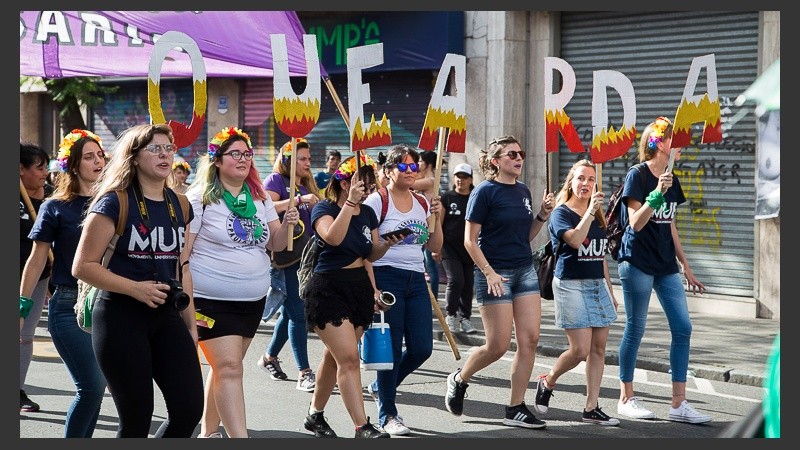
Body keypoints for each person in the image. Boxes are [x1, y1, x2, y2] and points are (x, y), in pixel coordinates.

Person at [71, 123, 203, 437]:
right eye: (155, 148)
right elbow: (83, 266)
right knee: (136, 419)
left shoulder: (180, 204)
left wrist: (191, 325)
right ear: (134, 156)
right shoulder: (115, 202)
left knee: (187, 411)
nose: (165, 154)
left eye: (169, 148)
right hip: (120, 316)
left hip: (166, 315)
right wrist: (136, 289)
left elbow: (182, 266)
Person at [184, 126, 299, 438]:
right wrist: (187, 305)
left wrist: (288, 224)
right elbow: (184, 256)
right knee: (231, 369)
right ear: (217, 160)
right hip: (209, 301)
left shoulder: (259, 198)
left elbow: (275, 244)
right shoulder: (199, 199)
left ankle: (208, 434)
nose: (243, 158)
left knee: (225, 370)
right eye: (235, 153)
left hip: (251, 302)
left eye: (247, 153)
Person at [444, 135, 554, 430]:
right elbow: (469, 241)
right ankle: (459, 378)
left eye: (522, 153)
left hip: (524, 270)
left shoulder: (523, 190)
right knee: (497, 345)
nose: (519, 158)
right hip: (494, 272)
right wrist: (490, 272)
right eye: (512, 154)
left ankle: (515, 407)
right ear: (496, 161)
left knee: (529, 340)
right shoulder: (484, 192)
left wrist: (542, 215)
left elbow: (524, 237)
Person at [614, 116, 710, 424]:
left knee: (683, 327)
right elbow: (635, 222)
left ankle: (678, 404)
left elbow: (670, 226)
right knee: (636, 328)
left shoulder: (674, 180)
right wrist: (656, 193)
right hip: (637, 262)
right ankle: (626, 397)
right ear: (660, 143)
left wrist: (686, 265)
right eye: (677, 139)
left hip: (666, 264)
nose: (683, 145)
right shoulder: (638, 176)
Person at [302, 154, 403, 439]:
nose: (368, 191)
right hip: (328, 288)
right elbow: (331, 238)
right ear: (345, 183)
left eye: (371, 186)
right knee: (348, 359)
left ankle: (314, 415)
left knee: (334, 358)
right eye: (363, 184)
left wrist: (385, 245)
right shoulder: (324, 208)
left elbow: (368, 254)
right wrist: (348, 205)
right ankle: (362, 426)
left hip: (358, 287)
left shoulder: (368, 214)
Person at [20, 130, 108, 437]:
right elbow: (36, 260)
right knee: (93, 387)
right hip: (69, 305)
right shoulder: (55, 206)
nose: (98, 161)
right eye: (89, 157)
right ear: (72, 165)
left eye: (100, 155)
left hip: (109, 304)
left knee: (98, 389)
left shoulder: (115, 202)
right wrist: (22, 306)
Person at [362, 144, 443, 436]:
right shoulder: (376, 201)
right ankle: (388, 414)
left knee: (422, 348)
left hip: (415, 279)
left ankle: (381, 387)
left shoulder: (422, 202)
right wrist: (373, 287)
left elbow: (434, 247)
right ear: (389, 170)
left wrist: (438, 217)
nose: (411, 171)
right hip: (386, 277)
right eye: (404, 166)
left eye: (414, 166)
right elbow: (367, 251)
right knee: (391, 350)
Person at [531, 159, 620, 426]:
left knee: (599, 349)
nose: (586, 184)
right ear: (570, 182)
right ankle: (548, 381)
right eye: (581, 178)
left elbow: (600, 255)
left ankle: (591, 407)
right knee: (580, 350)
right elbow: (575, 240)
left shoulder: (598, 214)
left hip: (596, 285)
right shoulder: (562, 213)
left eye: (591, 180)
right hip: (570, 285)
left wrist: (610, 289)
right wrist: (591, 212)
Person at [257, 138, 321, 392]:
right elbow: (264, 207)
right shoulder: (275, 180)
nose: (308, 162)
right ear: (288, 161)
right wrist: (298, 200)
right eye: (302, 159)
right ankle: (304, 372)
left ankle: (269, 358)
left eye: (308, 158)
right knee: (298, 313)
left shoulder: (306, 183)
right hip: (285, 257)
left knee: (291, 312)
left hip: (305, 258)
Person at [19, 141, 54, 413]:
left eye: (46, 167)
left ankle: (17, 391)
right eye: (39, 167)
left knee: (24, 336)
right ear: (20, 169)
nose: (45, 172)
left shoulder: (54, 196)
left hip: (40, 277)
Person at [441, 163, 477, 334]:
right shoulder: (447, 198)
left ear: (470, 179)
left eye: (464, 177)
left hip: (470, 247)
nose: (460, 180)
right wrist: (436, 247)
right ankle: (450, 314)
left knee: (468, 284)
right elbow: (439, 223)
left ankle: (465, 318)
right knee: (456, 280)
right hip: (449, 247)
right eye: (458, 176)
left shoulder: (475, 198)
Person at [413, 150, 441, 300]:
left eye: (420, 162)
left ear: (428, 164)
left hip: (429, 228)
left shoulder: (430, 180)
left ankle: (434, 299)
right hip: (421, 227)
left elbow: (408, 183)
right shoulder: (426, 178)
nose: (418, 165)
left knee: (430, 267)